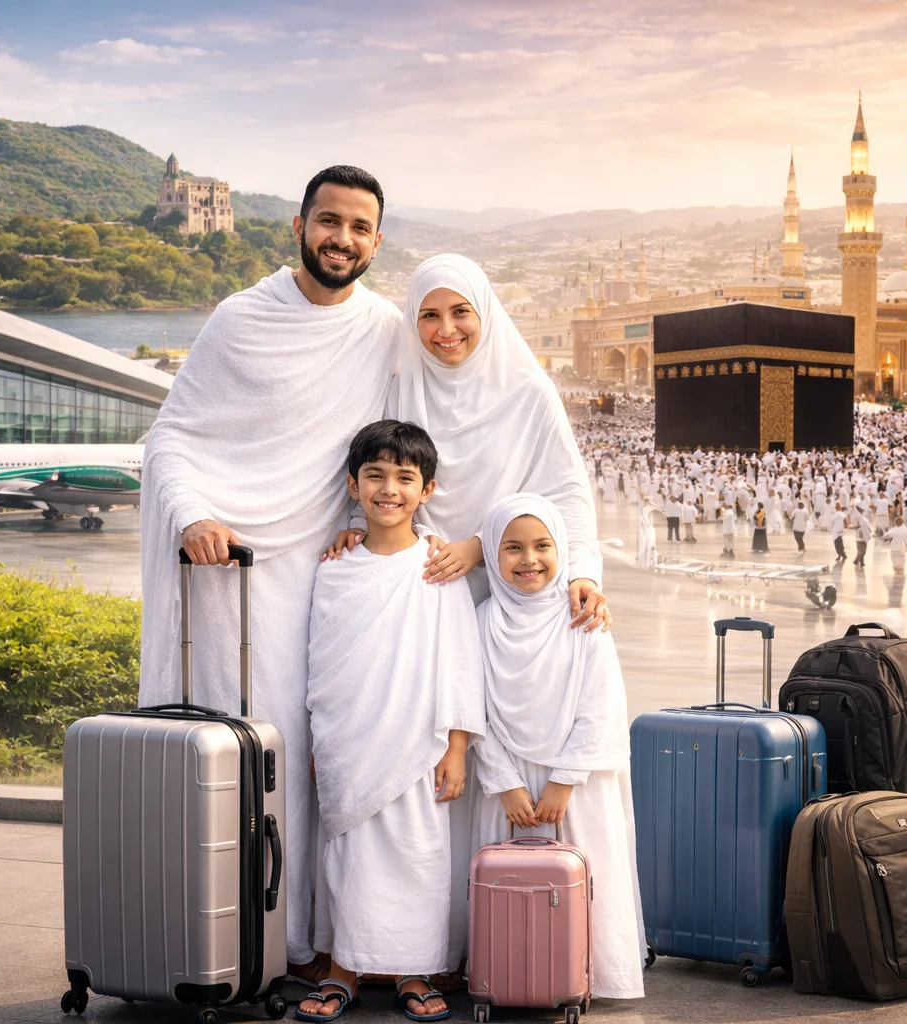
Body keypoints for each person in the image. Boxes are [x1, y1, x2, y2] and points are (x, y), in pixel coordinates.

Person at [141, 166, 403, 977]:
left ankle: (306, 943)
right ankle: (215, 943)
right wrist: (191, 518)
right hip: (227, 569)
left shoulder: (386, 328)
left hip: (324, 573)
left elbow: (411, 443)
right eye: (329, 222)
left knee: (313, 753)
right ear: (297, 226)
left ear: (376, 242)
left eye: (359, 228)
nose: (342, 240)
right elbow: (172, 436)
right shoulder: (239, 317)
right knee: (227, 753)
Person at [302, 421, 485, 1022]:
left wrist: (456, 747)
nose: (389, 490)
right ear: (353, 484)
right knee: (347, 859)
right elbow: (323, 661)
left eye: (405, 478)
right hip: (349, 739)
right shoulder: (336, 567)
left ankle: (415, 970)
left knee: (417, 854)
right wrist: (317, 737)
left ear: (426, 490)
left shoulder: (438, 568)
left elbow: (460, 661)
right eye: (374, 476)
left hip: (418, 742)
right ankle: (342, 970)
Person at [343, 253, 608, 630]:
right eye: (429, 315)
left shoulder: (528, 394)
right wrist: (357, 524)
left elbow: (564, 490)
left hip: (505, 593)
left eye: (460, 311)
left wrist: (483, 546)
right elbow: (375, 468)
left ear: (484, 311)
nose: (447, 329)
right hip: (416, 587)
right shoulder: (400, 391)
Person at [472, 493, 646, 1001]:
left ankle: (586, 975)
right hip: (508, 787)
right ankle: (507, 974)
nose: (530, 560)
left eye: (543, 545)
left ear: (562, 548)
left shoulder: (584, 621)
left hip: (576, 783)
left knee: (584, 874)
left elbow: (600, 707)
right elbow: (473, 707)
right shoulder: (482, 621)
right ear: (491, 555)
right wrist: (504, 783)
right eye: (512, 548)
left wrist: (564, 780)